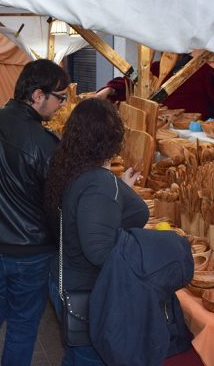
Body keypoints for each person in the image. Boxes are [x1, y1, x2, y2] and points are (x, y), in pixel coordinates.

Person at [0, 59, 70, 366]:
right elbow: (55, 201)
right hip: (29, 249)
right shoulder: (45, 143)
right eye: (59, 97)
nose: (62, 105)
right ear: (38, 95)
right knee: (22, 326)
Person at [43, 98, 147, 366]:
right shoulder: (98, 184)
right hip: (89, 291)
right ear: (111, 140)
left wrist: (120, 189)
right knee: (87, 358)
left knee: (78, 357)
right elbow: (100, 251)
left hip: (72, 278)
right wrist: (146, 250)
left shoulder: (69, 165)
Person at [96, 52, 214, 120]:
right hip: (158, 129)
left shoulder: (205, 72)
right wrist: (110, 89)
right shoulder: (154, 68)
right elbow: (130, 82)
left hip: (192, 135)